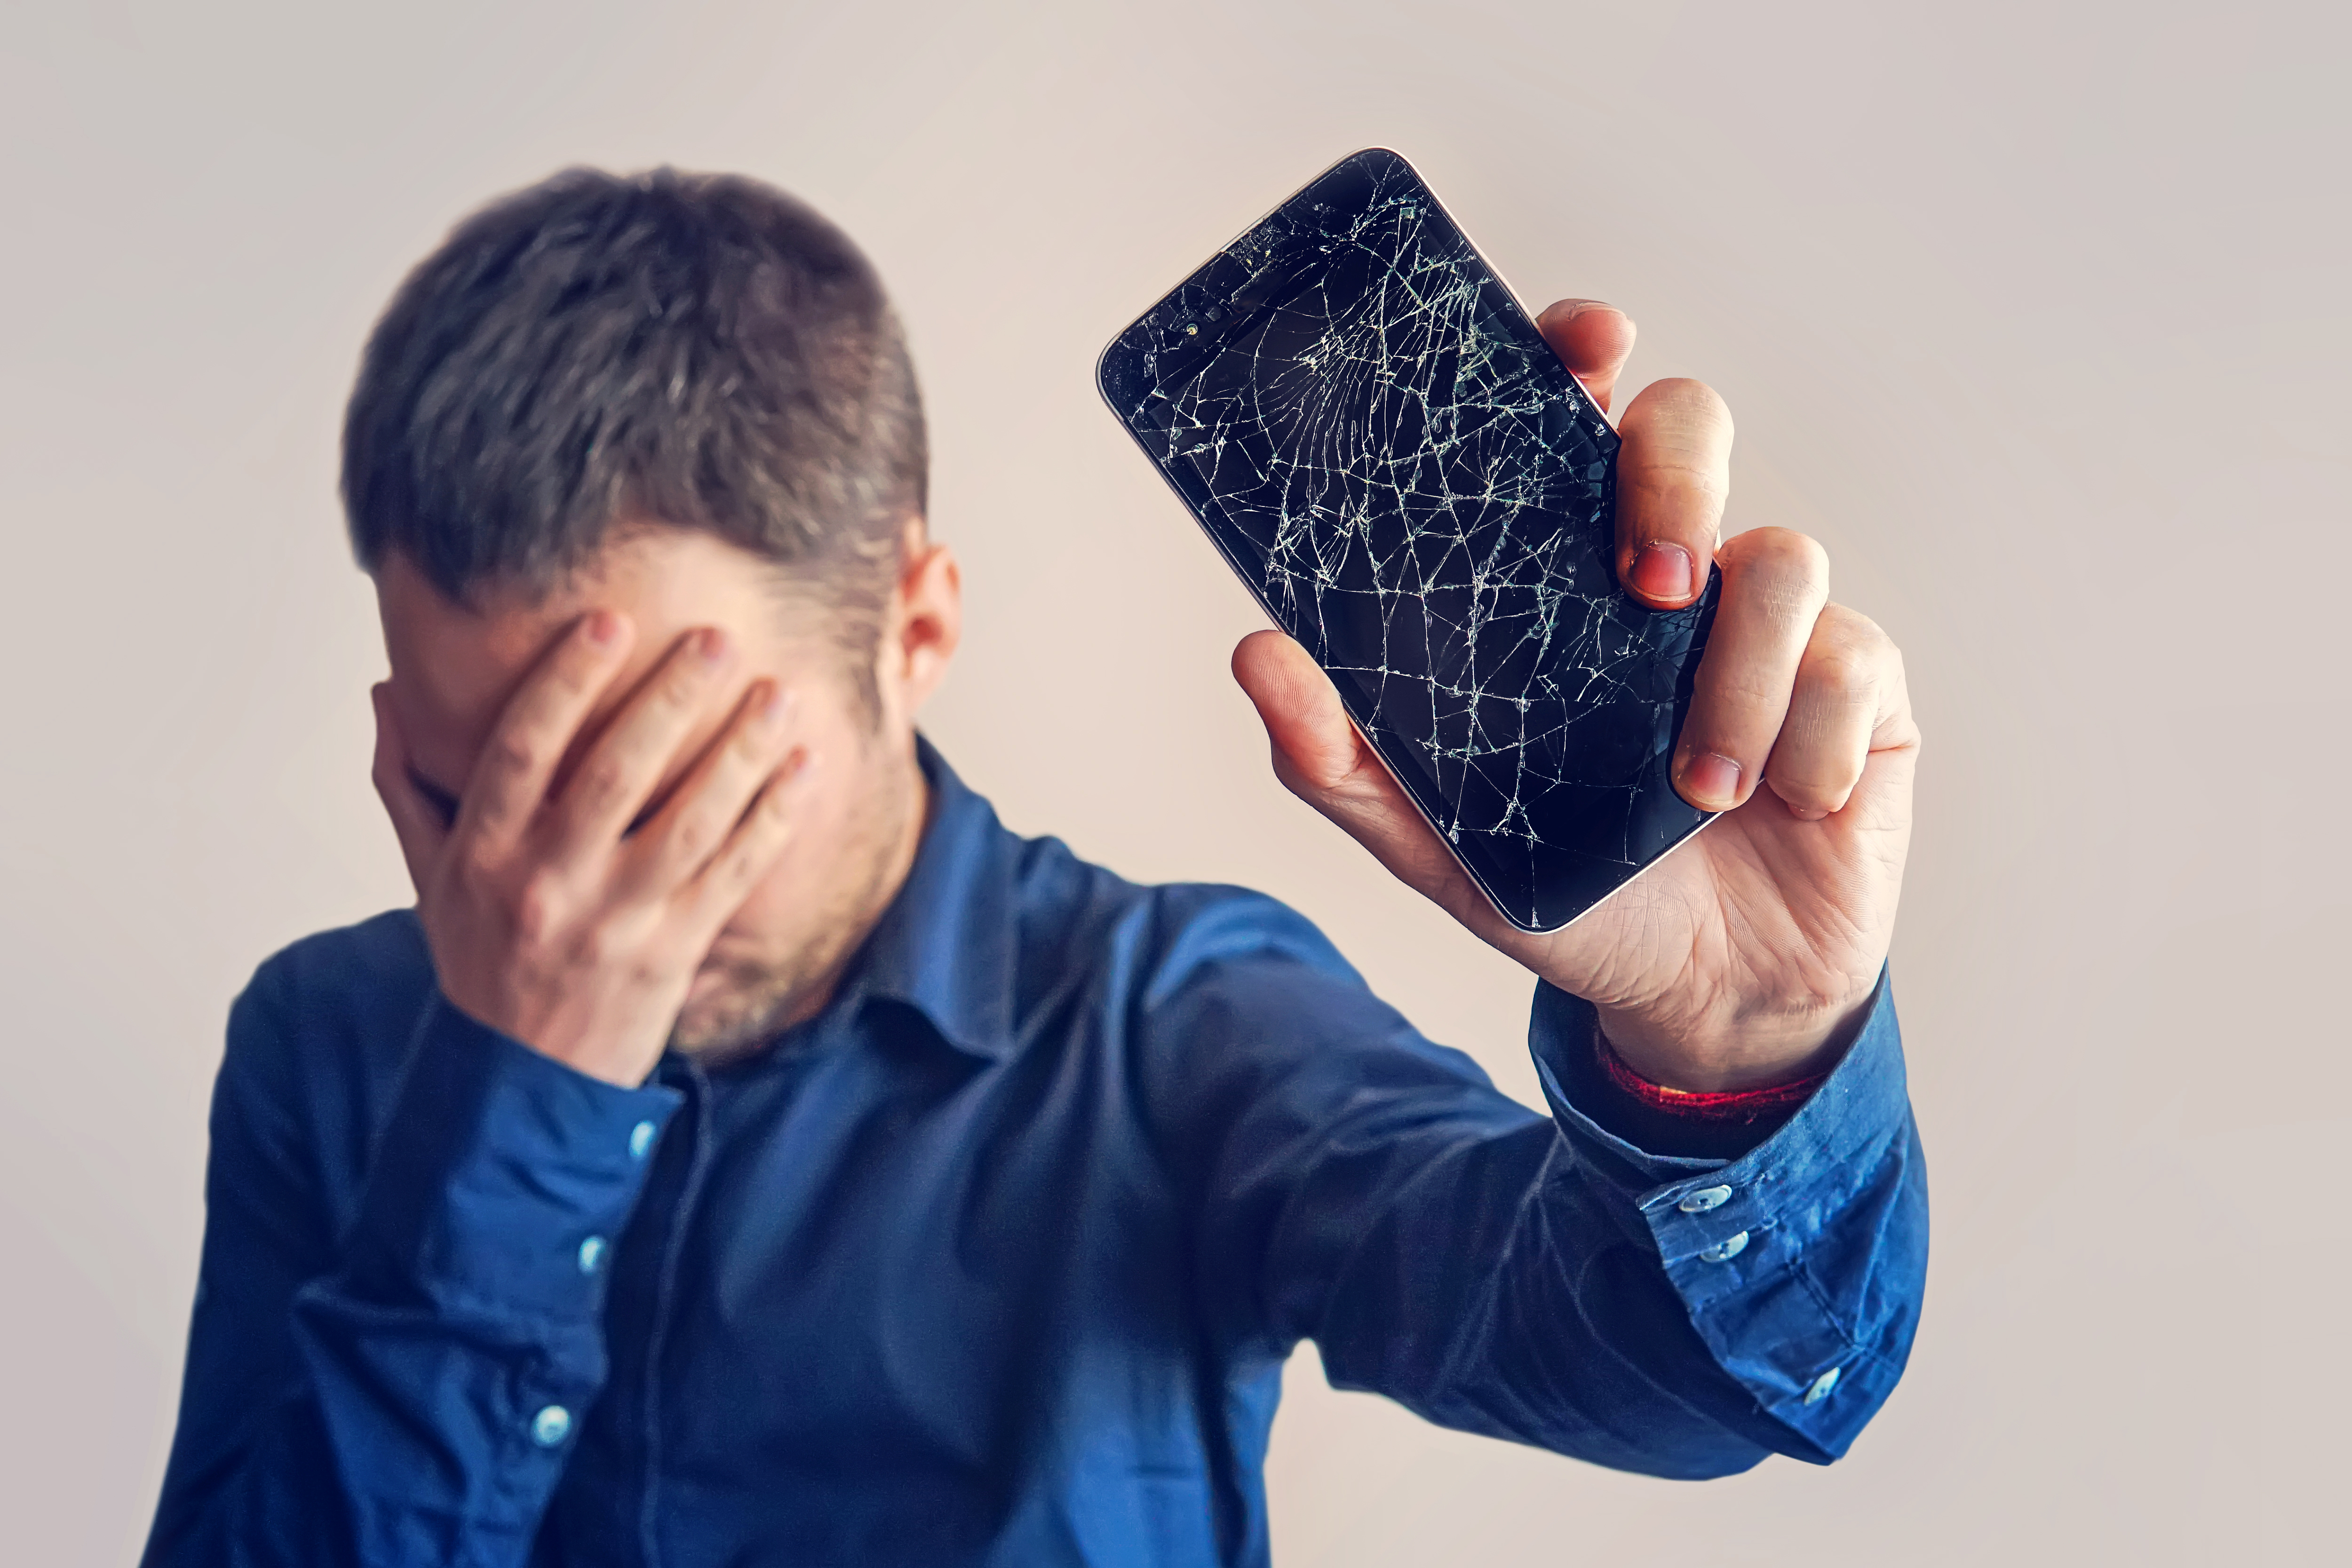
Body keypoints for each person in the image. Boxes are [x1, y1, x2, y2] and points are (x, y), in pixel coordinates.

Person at [140, 167, 1926, 1568]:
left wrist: (1742, 1045)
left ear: (912, 627)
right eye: (475, 804)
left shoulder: (1175, 1030)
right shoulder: (329, 1046)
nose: (570, 909)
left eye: (668, 795)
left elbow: (1664, 1377)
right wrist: (509, 1104)